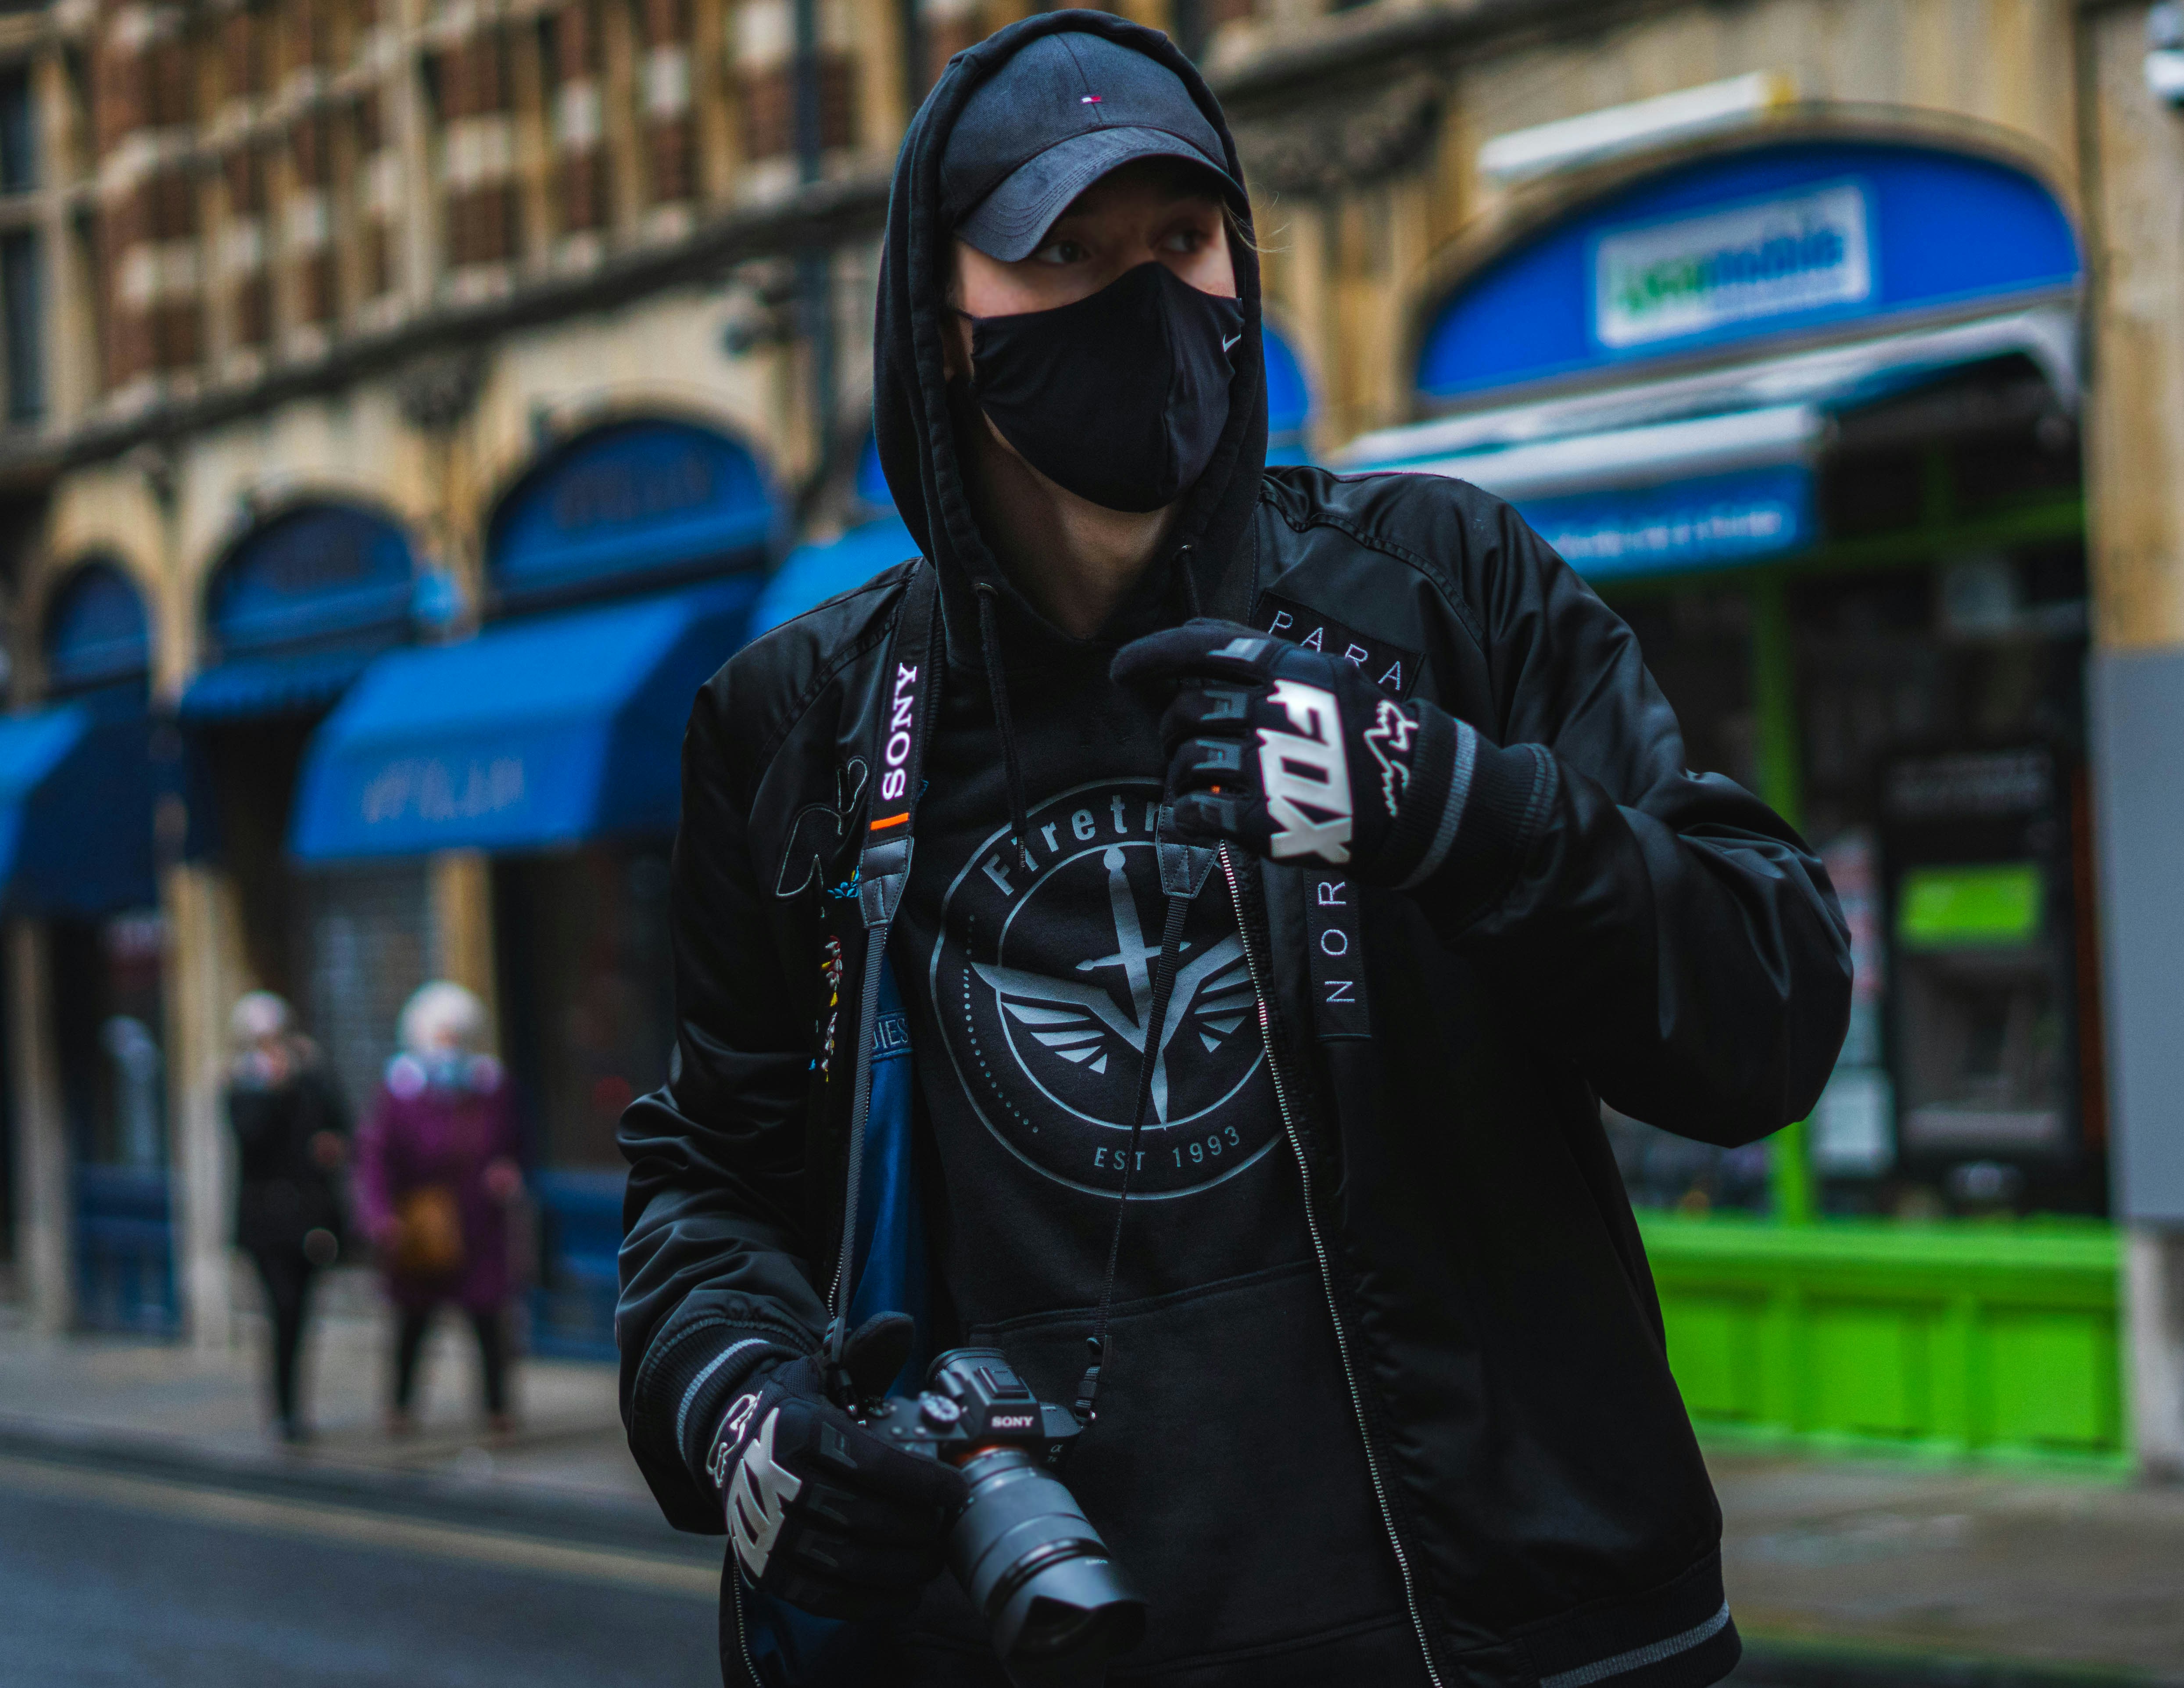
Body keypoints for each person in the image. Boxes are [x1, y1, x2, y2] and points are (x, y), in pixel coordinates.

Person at [617, 14, 1852, 1688]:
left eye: (1181, 240)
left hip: (1501, 1640)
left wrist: (1451, 803)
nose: (1142, 299)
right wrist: (742, 1416)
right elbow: (710, 1186)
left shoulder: (1440, 588)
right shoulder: (804, 722)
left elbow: (1764, 1009)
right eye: (1065, 253)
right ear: (943, 327)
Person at [355, 981, 524, 1437]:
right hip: (422, 1222)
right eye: (442, 1036)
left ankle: (497, 1407)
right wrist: (380, 1215)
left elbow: (515, 1142)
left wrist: (507, 1172)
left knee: (488, 1318)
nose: (450, 1047)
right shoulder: (400, 1091)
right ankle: (401, 1407)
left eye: (457, 1037)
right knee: (413, 1319)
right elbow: (376, 1158)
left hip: (479, 1221)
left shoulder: (490, 1086)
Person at [225, 991, 349, 1445]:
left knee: (301, 1314)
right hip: (266, 1223)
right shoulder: (242, 1086)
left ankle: (296, 1406)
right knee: (282, 1308)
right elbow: (250, 1137)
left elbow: (340, 1123)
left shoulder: (312, 1077)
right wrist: (273, 1090)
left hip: (310, 1217)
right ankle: (284, 1410)